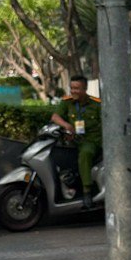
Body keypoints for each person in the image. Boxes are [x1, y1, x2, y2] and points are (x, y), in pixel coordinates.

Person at [51, 75, 101, 208]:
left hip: (90, 141)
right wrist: (66, 125)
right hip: (73, 140)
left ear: (85, 88)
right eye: (72, 88)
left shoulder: (96, 104)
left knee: (85, 153)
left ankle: (87, 191)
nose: (73, 91)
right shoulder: (67, 102)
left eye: (77, 88)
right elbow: (55, 117)